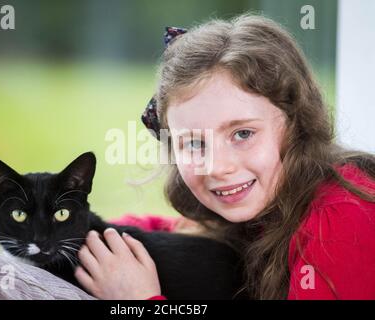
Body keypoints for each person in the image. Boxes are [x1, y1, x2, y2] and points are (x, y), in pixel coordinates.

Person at [74, 14, 375, 300]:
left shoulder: (342, 218)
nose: (217, 166)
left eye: (243, 134)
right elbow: (173, 231)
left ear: (297, 125)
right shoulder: (267, 203)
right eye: (193, 143)